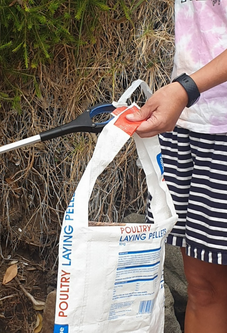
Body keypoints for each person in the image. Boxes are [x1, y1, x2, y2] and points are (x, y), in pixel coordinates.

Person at [127, 1, 227, 332]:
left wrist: (185, 89)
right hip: (190, 125)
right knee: (202, 287)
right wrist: (182, 95)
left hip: (200, 109)